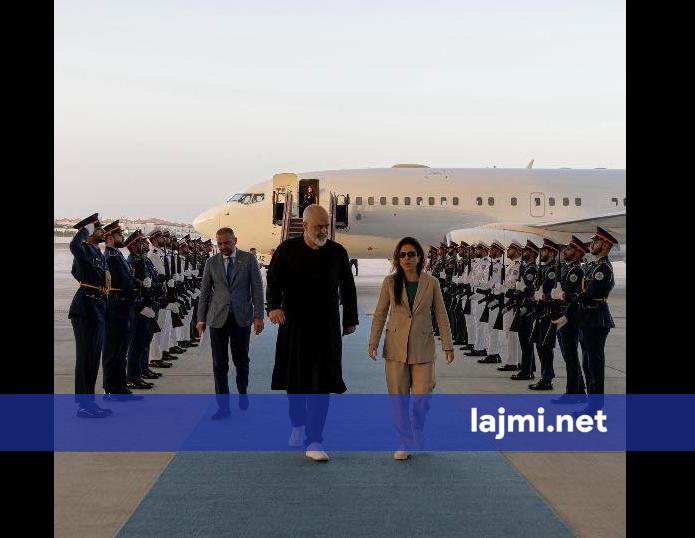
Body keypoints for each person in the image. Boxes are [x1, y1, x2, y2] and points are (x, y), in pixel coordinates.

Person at [266, 204, 358, 462]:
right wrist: (273, 307)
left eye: (326, 226)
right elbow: (273, 282)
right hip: (294, 327)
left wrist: (350, 319)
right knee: (295, 383)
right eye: (318, 226)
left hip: (326, 329)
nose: (323, 231)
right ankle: (297, 424)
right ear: (305, 226)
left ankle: (315, 439)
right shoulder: (286, 251)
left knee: (322, 382)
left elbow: (347, 287)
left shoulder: (337, 252)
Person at [368, 237, 454, 460]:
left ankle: (418, 427)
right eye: (402, 255)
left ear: (419, 257)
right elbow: (380, 313)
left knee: (423, 395)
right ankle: (404, 440)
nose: (406, 258)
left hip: (422, 347)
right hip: (395, 347)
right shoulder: (390, 282)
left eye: (411, 254)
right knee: (398, 397)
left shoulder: (431, 283)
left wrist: (447, 344)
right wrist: (373, 341)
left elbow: (441, 314)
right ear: (397, 259)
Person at [196, 227, 265, 419]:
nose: (223, 246)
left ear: (235, 240)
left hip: (241, 318)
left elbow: (257, 289)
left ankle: (242, 391)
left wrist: (259, 316)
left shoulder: (248, 259)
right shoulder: (211, 262)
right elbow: (205, 292)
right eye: (219, 244)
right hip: (217, 318)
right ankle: (223, 407)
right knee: (219, 363)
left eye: (226, 242)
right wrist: (201, 319)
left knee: (241, 360)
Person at [553, 226, 617, 413]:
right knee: (587, 363)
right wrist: (566, 316)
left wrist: (565, 296)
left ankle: (595, 406)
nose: (593, 243)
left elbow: (589, 295)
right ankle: (591, 403)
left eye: (596, 241)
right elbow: (582, 296)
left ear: (606, 245)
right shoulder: (592, 267)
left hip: (596, 318)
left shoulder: (603, 268)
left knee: (594, 364)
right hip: (586, 318)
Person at [69, 213, 112, 418]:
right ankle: (83, 405)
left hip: (97, 305)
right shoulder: (84, 248)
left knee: (93, 358)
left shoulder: (96, 251)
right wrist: (84, 230)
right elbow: (74, 246)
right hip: (85, 307)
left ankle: (90, 402)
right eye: (98, 229)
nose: (103, 232)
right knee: (86, 358)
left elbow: (76, 271)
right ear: (89, 232)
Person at [551, 236, 588, 403]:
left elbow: (573, 294)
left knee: (570, 355)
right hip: (563, 314)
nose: (565, 251)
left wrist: (561, 295)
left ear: (578, 252)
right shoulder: (567, 268)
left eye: (569, 249)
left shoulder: (576, 271)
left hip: (569, 317)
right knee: (568, 355)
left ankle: (573, 393)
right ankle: (578, 392)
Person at [510, 240, 540, 381]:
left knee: (526, 340)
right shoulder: (526, 267)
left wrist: (520, 287)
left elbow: (530, 289)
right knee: (525, 339)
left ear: (533, 253)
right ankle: (529, 368)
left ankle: (526, 371)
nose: (523, 253)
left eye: (526, 251)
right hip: (523, 304)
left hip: (527, 306)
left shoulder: (531, 269)